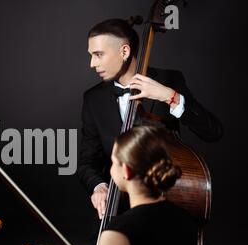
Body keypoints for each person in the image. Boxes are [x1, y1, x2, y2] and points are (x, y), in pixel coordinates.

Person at [77, 18, 223, 220]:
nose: (92, 63)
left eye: (98, 55)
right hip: (119, 208)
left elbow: (213, 131)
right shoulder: (93, 98)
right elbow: (87, 162)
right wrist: (99, 186)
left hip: (168, 202)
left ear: (125, 52)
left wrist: (169, 96)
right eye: (91, 55)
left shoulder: (168, 81)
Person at [93, 125, 198, 245]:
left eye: (113, 162)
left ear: (126, 170)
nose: (111, 168)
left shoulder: (116, 234)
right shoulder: (187, 219)